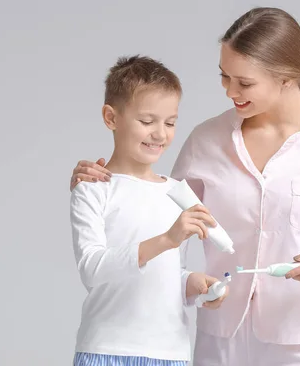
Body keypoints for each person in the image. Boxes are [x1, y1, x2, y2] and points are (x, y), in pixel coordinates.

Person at [69, 7, 300, 366]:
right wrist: (95, 182)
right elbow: (151, 217)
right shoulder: (206, 140)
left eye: (244, 82)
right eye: (224, 76)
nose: (230, 91)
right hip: (219, 343)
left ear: (286, 77)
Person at [70, 55, 229, 366]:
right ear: (111, 118)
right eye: (147, 121)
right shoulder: (93, 186)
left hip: (170, 354)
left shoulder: (176, 192)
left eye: (170, 123)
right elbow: (92, 268)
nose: (160, 134)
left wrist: (192, 284)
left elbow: (165, 273)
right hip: (108, 350)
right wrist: (167, 239)